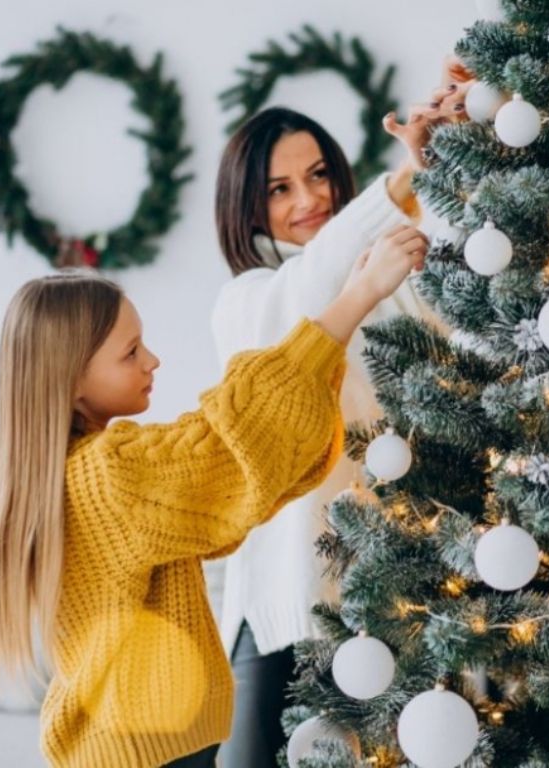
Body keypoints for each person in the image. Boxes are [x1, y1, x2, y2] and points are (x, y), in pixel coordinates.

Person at [0, 226, 427, 768]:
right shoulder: (110, 473)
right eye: (130, 351)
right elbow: (230, 438)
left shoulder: (65, 473)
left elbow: (234, 478)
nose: (153, 361)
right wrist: (358, 297)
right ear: (72, 378)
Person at [211, 65, 473, 767]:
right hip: (286, 612)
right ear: (246, 207)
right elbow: (315, 289)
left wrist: (453, 155)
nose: (311, 197)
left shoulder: (387, 280)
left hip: (397, 600)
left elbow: (460, 317)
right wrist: (401, 181)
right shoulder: (249, 299)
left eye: (320, 173)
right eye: (280, 188)